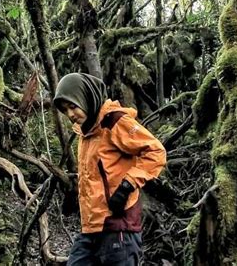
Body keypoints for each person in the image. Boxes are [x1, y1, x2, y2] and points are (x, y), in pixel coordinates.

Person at [54, 73, 166, 265]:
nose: (70, 114)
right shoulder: (86, 132)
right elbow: (97, 174)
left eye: (73, 106)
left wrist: (127, 186)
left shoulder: (115, 121)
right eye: (65, 110)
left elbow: (156, 151)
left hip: (118, 228)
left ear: (86, 97)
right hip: (91, 229)